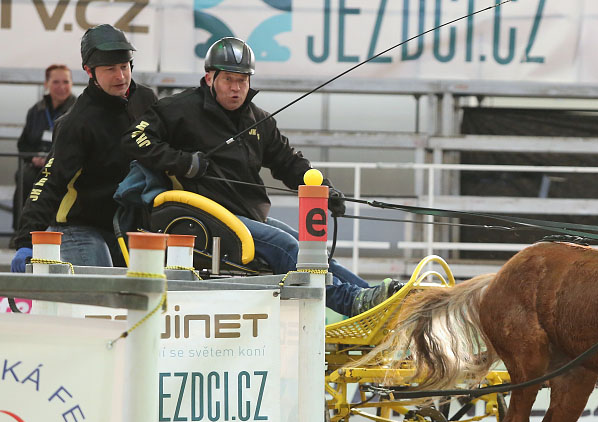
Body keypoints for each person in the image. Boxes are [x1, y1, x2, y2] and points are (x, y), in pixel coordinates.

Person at [120, 36, 399, 316]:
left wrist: (325, 190)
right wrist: (184, 162)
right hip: (209, 217)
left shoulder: (259, 120)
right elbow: (135, 138)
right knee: (290, 248)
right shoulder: (179, 109)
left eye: (243, 80)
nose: (236, 88)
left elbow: (288, 161)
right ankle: (351, 302)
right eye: (229, 79)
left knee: (313, 249)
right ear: (209, 77)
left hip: (247, 215)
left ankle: (376, 302)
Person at [10, 24, 158, 272]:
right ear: (90, 72)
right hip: (79, 226)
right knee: (101, 295)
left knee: (136, 295)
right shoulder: (76, 124)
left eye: (124, 67)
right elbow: (49, 183)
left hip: (128, 223)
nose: (120, 77)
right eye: (110, 69)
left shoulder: (147, 100)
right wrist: (26, 241)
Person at [11, 64, 77, 245]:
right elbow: (23, 143)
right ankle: (21, 233)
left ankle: (53, 235)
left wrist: (51, 158)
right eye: (56, 82)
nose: (61, 86)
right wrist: (32, 158)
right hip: (35, 165)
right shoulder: (36, 110)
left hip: (62, 165)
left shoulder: (77, 109)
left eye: (66, 82)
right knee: (24, 176)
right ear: (46, 84)